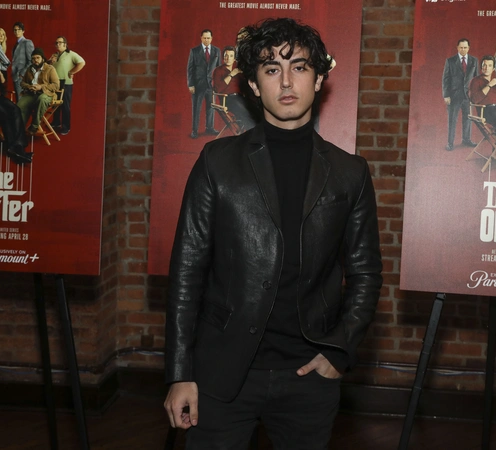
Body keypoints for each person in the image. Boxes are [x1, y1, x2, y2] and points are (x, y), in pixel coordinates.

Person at [164, 17, 382, 449]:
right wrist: (179, 373)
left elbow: (366, 273)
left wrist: (338, 350)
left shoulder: (350, 173)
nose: (286, 81)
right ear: (252, 84)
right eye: (270, 69)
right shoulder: (217, 162)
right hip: (220, 373)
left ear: (318, 79)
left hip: (308, 377)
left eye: (299, 67)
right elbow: (187, 271)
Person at [0, 46, 30, 164]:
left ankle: (19, 146)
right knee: (4, 114)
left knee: (16, 109)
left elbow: (3, 87)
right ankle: (11, 147)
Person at [442, 38, 478, 150]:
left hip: (468, 96)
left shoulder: (474, 61)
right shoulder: (450, 61)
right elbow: (446, 79)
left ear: (468, 48)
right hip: (454, 95)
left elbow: (476, 79)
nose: (463, 49)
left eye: (465, 47)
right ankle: (450, 143)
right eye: (461, 47)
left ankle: (466, 140)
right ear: (457, 48)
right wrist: (446, 95)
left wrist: (475, 95)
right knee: (452, 119)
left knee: (468, 119)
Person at [212, 45, 257, 132]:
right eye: (226, 55)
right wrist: (231, 74)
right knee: (245, 112)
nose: (228, 58)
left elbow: (245, 85)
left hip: (240, 97)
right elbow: (218, 89)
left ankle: (256, 132)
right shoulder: (218, 71)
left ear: (234, 59)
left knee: (256, 109)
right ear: (223, 57)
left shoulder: (238, 70)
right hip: (227, 99)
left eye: (231, 56)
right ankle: (251, 134)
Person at [48, 36, 85, 136]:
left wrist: (72, 72)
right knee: (55, 104)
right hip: (55, 82)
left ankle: (66, 126)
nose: (57, 44)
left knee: (65, 105)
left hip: (66, 82)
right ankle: (56, 122)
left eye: (60, 42)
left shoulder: (71, 54)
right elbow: (47, 67)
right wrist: (50, 61)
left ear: (65, 44)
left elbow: (82, 62)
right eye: (56, 43)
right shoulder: (55, 55)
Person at [187, 29, 221, 139]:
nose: (206, 40)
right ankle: (194, 130)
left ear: (211, 38)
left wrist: (218, 85)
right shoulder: (194, 51)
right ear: (201, 38)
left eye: (208, 38)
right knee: (196, 108)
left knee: (211, 108)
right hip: (198, 85)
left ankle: (209, 128)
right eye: (204, 38)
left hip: (211, 85)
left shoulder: (217, 51)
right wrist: (190, 84)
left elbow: (219, 69)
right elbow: (190, 69)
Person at [17, 48, 59, 134]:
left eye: (38, 58)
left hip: (46, 93)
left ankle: (34, 126)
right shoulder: (29, 69)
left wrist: (41, 87)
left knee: (41, 99)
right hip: (31, 94)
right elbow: (22, 83)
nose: (35, 60)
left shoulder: (50, 69)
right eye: (33, 58)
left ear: (43, 58)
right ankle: (19, 130)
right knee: (20, 105)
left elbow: (56, 85)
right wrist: (29, 86)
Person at [11, 22, 34, 100]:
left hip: (23, 77)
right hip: (15, 77)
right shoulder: (15, 45)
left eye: (19, 30)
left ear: (23, 31)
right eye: (15, 30)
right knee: (18, 100)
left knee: (21, 101)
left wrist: (21, 74)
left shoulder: (27, 42)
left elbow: (31, 61)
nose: (17, 32)